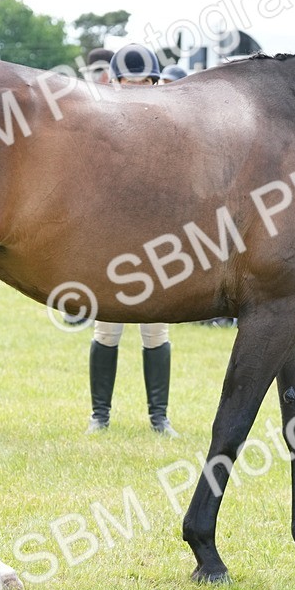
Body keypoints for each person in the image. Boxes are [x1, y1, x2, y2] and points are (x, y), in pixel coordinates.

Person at [86, 44, 178, 437]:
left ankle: (159, 417)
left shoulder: (171, 124)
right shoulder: (101, 122)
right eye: (129, 83)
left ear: (155, 83)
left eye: (143, 83)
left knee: (156, 328)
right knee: (106, 328)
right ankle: (99, 416)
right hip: (114, 236)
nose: (136, 90)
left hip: (157, 236)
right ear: (116, 82)